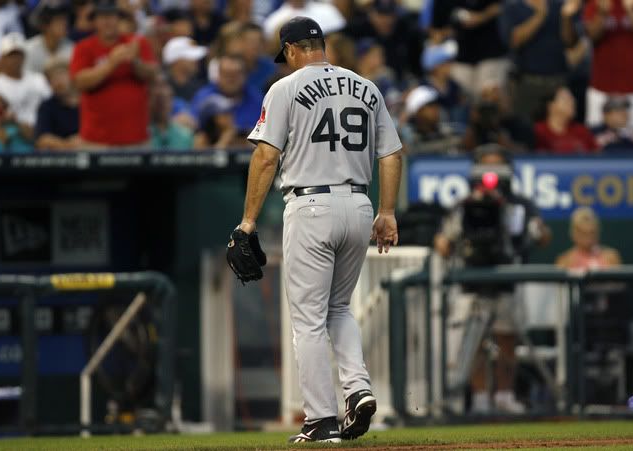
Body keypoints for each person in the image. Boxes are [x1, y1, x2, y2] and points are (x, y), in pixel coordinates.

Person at [237, 17, 402, 442]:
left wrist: (248, 222)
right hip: (360, 204)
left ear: (291, 50)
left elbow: (265, 158)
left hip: (311, 204)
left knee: (308, 320)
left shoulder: (285, 88)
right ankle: (358, 389)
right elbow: (391, 155)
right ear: (321, 45)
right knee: (339, 308)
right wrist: (387, 211)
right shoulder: (367, 87)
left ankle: (321, 420)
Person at [433, 145, 551, 414]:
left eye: (497, 166)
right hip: (471, 281)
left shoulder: (520, 204)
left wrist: (536, 231)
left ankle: (505, 395)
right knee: (474, 343)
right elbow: (444, 242)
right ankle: (480, 397)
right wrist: (446, 239)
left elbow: (542, 237)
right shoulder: (465, 205)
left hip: (506, 278)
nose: (491, 174)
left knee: (507, 339)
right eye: (486, 166)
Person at [70, 0, 158, 149]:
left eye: (111, 16)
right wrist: (111, 64)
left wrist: (135, 62)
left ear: (118, 19)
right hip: (97, 141)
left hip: (136, 139)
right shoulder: (83, 47)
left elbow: (152, 74)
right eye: (102, 17)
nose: (107, 22)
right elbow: (79, 82)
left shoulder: (136, 43)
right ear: (94, 22)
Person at [499, 0, 583, 121]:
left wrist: (566, 18)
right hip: (525, 82)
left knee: (557, 128)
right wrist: (540, 15)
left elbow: (570, 42)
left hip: (557, 80)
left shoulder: (559, 5)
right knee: (525, 127)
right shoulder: (512, 6)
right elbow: (514, 41)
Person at [584, 0, 633, 129]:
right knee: (597, 138)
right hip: (601, 86)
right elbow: (592, 36)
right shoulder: (596, 4)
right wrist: (602, 14)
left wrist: (630, 11)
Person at [430, 0, 508, 98]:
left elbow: (502, 6)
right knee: (464, 101)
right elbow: (436, 30)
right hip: (460, 56)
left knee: (491, 97)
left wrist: (481, 17)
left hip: (491, 52)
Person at [0, 32, 51, 141]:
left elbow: (51, 104)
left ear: (24, 56)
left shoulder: (38, 79)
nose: (15, 60)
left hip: (42, 130)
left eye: (18, 55)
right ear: (2, 58)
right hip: (10, 132)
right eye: (11, 55)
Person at [344, 0, 423, 82]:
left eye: (390, 15)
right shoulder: (357, 30)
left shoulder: (407, 30)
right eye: (381, 15)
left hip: (400, 83)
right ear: (371, 14)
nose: (386, 21)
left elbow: (417, 68)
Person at [191, 53, 262, 138]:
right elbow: (194, 127)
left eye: (236, 75)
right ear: (218, 75)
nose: (231, 79)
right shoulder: (204, 98)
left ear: (245, 75)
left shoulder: (256, 99)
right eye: (226, 74)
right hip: (209, 148)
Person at [463, 83, 534, 151]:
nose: (492, 105)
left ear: (508, 99)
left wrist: (504, 141)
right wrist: (473, 125)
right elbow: (464, 151)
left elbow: (527, 154)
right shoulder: (477, 124)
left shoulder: (520, 124)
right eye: (487, 98)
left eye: (497, 100)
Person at [534, 85, 598, 153]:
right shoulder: (537, 132)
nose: (572, 102)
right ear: (551, 106)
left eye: (572, 99)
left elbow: (598, 158)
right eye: (566, 99)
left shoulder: (582, 131)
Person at [400, 85, 461, 154]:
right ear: (418, 111)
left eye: (436, 104)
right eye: (430, 105)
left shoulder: (448, 132)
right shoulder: (405, 137)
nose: (436, 109)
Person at [35, 58, 80, 150]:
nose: (58, 81)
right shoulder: (47, 106)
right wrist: (69, 145)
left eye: (61, 74)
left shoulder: (89, 102)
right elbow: (43, 139)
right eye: (52, 78)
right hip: (59, 157)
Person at [556, 207, 621, 270]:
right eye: (583, 233)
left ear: (597, 231)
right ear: (573, 234)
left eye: (591, 232)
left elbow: (618, 280)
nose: (588, 239)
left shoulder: (611, 258)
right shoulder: (565, 261)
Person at [24, 4, 74, 74]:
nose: (65, 24)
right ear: (45, 26)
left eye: (65, 19)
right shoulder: (29, 49)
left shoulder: (72, 48)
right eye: (59, 20)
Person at [149, 74, 195, 150]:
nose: (161, 92)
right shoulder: (139, 135)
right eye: (158, 99)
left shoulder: (184, 136)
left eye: (165, 99)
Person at [162, 36, 208, 102]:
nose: (197, 60)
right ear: (177, 60)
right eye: (191, 56)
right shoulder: (161, 87)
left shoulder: (200, 88)